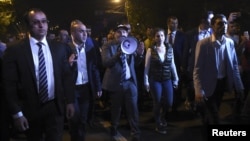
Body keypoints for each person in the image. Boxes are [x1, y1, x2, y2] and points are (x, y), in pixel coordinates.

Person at [2, 8, 75, 141]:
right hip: (29, 109)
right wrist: (17, 114)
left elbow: (66, 76)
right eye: (36, 22)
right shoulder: (15, 49)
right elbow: (9, 85)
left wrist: (70, 101)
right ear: (28, 25)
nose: (41, 25)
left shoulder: (59, 48)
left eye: (44, 21)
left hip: (54, 107)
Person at [193, 14, 244, 125]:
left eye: (226, 23)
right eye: (220, 23)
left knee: (212, 113)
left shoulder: (229, 43)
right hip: (207, 85)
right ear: (212, 26)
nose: (224, 26)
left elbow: (234, 66)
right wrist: (198, 91)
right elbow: (197, 69)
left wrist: (239, 86)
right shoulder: (203, 44)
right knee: (215, 117)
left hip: (221, 84)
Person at [101, 24, 144, 141]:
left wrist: (140, 55)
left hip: (130, 82)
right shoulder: (108, 46)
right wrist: (118, 54)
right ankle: (114, 127)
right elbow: (106, 63)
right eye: (119, 32)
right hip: (116, 82)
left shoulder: (130, 44)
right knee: (116, 108)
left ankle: (135, 132)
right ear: (114, 34)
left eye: (124, 32)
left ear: (127, 34)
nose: (121, 34)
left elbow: (136, 64)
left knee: (133, 109)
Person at [67, 19, 102, 141]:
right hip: (72, 90)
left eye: (86, 31)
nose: (85, 34)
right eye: (81, 31)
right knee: (74, 119)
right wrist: (68, 65)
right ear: (73, 33)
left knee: (83, 119)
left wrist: (98, 86)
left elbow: (94, 69)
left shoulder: (90, 48)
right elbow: (59, 71)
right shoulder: (65, 48)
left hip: (86, 88)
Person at [144, 28, 179, 134]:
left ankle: (162, 116)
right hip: (155, 80)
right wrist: (146, 81)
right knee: (157, 102)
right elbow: (146, 67)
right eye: (158, 36)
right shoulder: (151, 50)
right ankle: (158, 123)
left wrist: (176, 78)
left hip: (167, 79)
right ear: (154, 38)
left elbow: (172, 65)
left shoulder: (169, 48)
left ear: (165, 37)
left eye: (162, 35)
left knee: (169, 102)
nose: (160, 38)